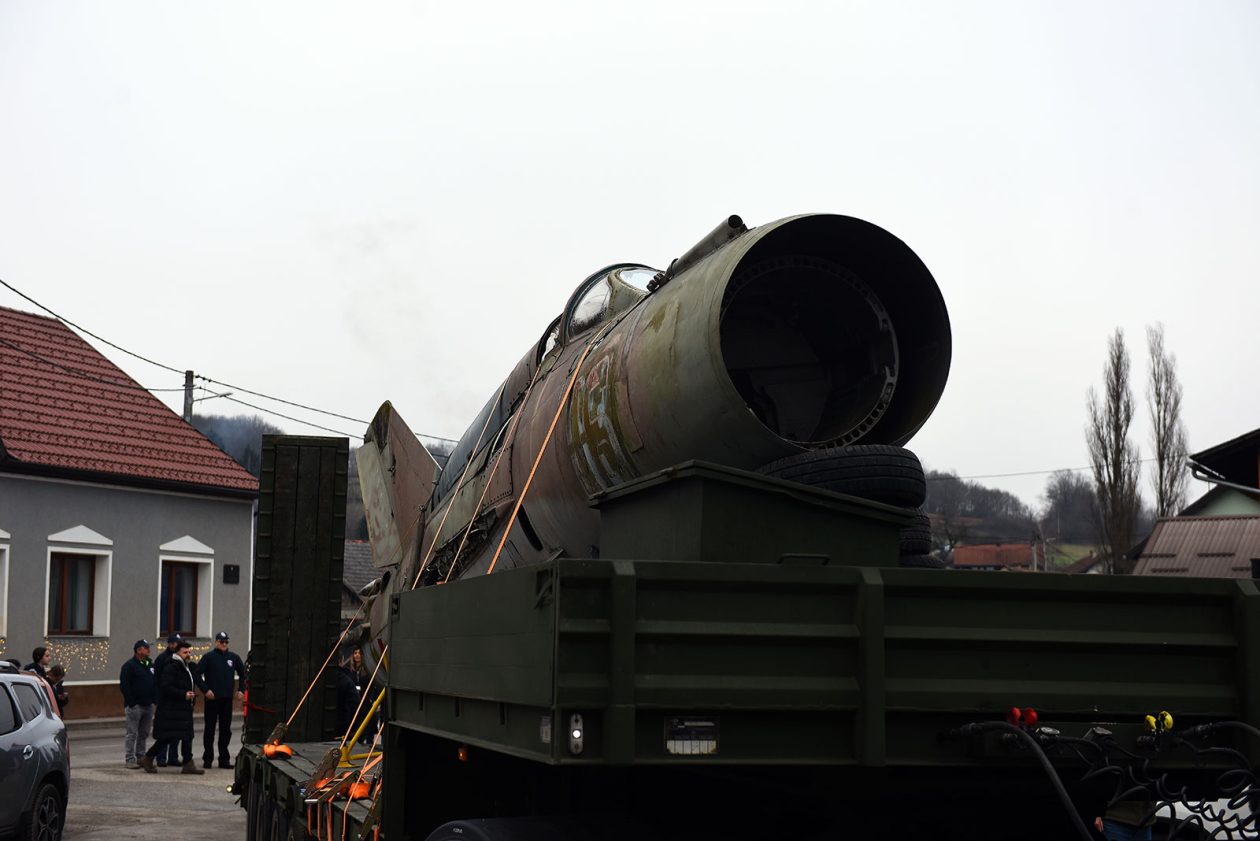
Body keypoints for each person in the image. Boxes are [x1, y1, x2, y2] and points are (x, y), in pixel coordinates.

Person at [140, 640, 204, 774]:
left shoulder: (187, 667)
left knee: (187, 736)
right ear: (177, 653)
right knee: (167, 737)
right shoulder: (172, 667)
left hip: (184, 709)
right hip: (172, 709)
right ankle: (149, 757)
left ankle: (188, 763)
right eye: (185, 652)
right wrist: (183, 694)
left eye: (189, 652)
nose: (188, 655)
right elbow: (166, 687)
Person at [196, 631, 245, 769]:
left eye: (226, 642)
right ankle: (208, 758)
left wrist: (241, 690)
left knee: (225, 730)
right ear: (216, 642)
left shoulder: (233, 657)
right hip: (212, 699)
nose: (224, 644)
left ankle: (224, 759)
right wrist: (206, 690)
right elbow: (197, 674)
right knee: (209, 730)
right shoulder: (208, 657)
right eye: (221, 641)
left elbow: (243, 674)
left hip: (227, 700)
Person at [120, 640, 158, 769]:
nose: (148, 650)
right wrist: (132, 702)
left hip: (148, 705)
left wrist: (154, 700)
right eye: (146, 648)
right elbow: (124, 686)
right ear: (138, 650)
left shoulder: (150, 665)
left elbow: (154, 683)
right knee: (132, 733)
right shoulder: (129, 666)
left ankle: (141, 756)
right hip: (135, 706)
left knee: (144, 733)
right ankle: (130, 759)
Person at [153, 633, 184, 767]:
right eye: (175, 643)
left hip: (177, 699)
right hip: (165, 699)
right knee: (164, 729)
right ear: (170, 644)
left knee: (176, 730)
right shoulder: (162, 659)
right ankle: (161, 758)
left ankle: (173, 757)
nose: (177, 645)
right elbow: (156, 680)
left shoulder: (180, 658)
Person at [336, 647, 365, 737]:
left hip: (364, 699)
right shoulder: (348, 672)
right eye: (355, 653)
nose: (357, 655)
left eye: (359, 653)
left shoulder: (365, 671)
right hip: (350, 704)